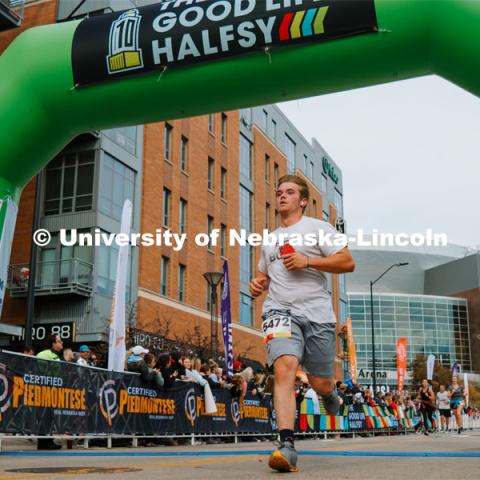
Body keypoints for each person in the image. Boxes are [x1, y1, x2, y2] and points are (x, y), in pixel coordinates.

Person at [249, 174, 355, 473]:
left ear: (303, 200)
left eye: (290, 192)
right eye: (279, 191)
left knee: (320, 381)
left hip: (318, 314)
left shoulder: (318, 229)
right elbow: (266, 276)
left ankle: (329, 394)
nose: (282, 196)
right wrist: (258, 285)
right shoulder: (269, 240)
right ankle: (286, 444)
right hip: (279, 310)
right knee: (284, 367)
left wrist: (308, 261)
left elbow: (347, 262)